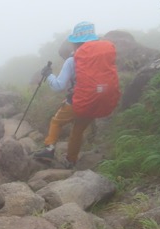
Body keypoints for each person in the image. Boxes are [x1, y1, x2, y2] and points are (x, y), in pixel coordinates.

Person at [33, 21, 108, 169]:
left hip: (76, 101)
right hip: (94, 102)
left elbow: (58, 86)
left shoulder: (72, 61)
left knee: (56, 122)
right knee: (77, 132)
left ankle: (49, 150)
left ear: (76, 43)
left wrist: (48, 75)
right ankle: (71, 161)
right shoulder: (101, 58)